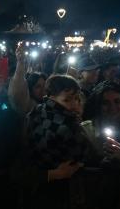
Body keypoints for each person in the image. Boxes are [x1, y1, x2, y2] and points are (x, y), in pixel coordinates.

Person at [21, 75, 94, 209]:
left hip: (35, 185)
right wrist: (80, 125)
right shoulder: (67, 126)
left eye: (76, 98)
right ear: (51, 97)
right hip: (62, 188)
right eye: (67, 99)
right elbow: (85, 154)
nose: (73, 104)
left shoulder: (36, 111)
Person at [8, 45, 46, 115]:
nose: (43, 90)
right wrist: (20, 62)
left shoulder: (49, 105)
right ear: (30, 88)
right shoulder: (27, 106)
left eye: (44, 85)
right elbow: (19, 87)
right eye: (38, 87)